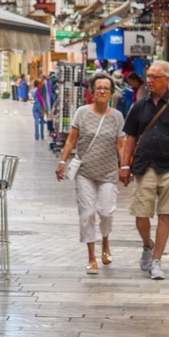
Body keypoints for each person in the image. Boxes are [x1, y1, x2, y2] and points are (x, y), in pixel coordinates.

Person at [118, 60, 169, 281]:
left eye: (154, 77)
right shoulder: (139, 106)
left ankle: (156, 260)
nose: (149, 80)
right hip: (145, 166)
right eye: (148, 76)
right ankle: (147, 244)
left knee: (165, 216)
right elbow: (130, 137)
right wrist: (125, 166)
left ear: (167, 81)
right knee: (141, 213)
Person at [56, 73, 125, 273]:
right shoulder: (82, 113)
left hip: (108, 173)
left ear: (112, 93)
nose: (102, 91)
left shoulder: (117, 117)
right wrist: (62, 161)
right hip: (85, 172)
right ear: (92, 92)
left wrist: (125, 166)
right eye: (98, 88)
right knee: (87, 214)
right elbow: (71, 140)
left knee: (105, 212)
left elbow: (121, 144)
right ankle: (92, 257)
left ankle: (105, 242)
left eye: (106, 88)